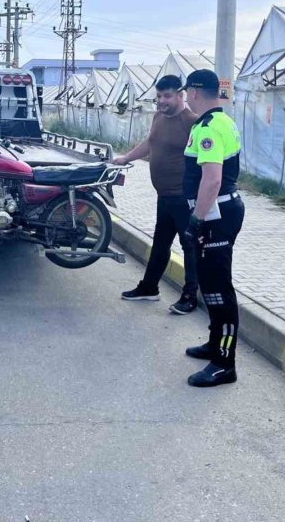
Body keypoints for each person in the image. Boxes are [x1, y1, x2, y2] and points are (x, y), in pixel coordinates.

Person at [113, 75, 199, 314]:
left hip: (183, 197)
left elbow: (204, 161)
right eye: (159, 96)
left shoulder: (192, 122)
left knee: (190, 246)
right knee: (160, 244)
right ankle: (149, 288)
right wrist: (126, 157)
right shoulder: (158, 117)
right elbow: (150, 143)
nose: (161, 101)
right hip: (164, 196)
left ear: (181, 95)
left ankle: (190, 296)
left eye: (167, 96)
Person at [180, 69, 245, 388]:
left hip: (216, 215)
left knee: (219, 288)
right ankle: (214, 343)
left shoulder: (209, 127)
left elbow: (212, 178)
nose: (185, 97)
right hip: (219, 212)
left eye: (186, 92)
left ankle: (224, 363)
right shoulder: (222, 121)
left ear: (194, 92)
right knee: (210, 285)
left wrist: (196, 220)